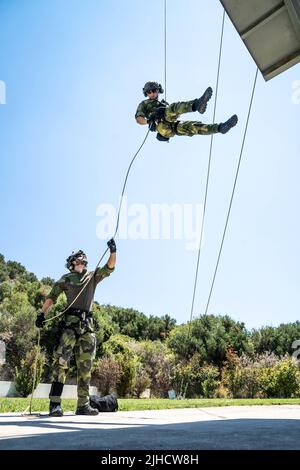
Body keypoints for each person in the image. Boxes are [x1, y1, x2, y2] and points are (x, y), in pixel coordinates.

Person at [35, 239, 117, 417]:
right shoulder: (66, 279)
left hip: (87, 326)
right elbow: (52, 297)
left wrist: (113, 251)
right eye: (79, 259)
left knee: (86, 367)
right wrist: (42, 314)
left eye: (84, 260)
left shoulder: (93, 276)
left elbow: (110, 268)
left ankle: (83, 405)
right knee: (61, 363)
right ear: (72, 263)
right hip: (69, 326)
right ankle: (55, 404)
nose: (83, 261)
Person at [135, 81, 238, 142]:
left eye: (154, 90)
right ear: (146, 94)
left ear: (158, 90)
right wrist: (149, 122)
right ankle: (196, 104)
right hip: (161, 126)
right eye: (149, 92)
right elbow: (138, 119)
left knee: (193, 127)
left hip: (171, 128)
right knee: (172, 108)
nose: (152, 93)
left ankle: (220, 128)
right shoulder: (144, 104)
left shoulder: (162, 104)